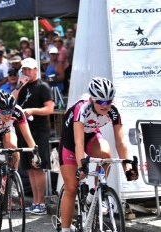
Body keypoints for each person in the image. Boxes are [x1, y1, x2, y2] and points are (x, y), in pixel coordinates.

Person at [58, 77, 139, 232]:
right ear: (92, 100)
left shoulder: (113, 111)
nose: (105, 105)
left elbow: (121, 142)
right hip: (71, 139)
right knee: (72, 186)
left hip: (92, 135)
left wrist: (127, 167)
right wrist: (82, 167)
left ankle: (95, 193)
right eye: (101, 102)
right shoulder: (82, 108)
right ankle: (66, 229)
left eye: (109, 101)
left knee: (106, 154)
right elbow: (79, 143)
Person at [0, 90, 37, 230]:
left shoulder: (17, 111)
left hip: (6, 130)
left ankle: (12, 176)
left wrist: (36, 153)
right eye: (4, 112)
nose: (8, 115)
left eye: (10, 111)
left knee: (13, 147)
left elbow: (28, 136)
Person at [12, 57, 54, 215]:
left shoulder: (43, 87)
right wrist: (19, 85)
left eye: (30, 69)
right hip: (23, 130)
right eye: (24, 70)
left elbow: (50, 109)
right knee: (29, 168)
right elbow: (11, 100)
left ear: (36, 70)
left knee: (38, 167)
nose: (27, 72)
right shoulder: (22, 86)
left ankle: (41, 203)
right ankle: (36, 201)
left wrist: (32, 111)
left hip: (38, 130)